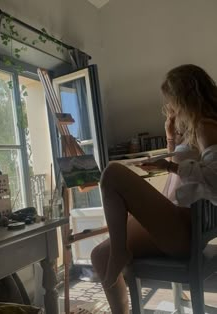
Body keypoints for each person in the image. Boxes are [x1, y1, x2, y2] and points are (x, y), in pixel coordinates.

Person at [91, 64, 217, 314]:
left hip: (183, 231)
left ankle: (120, 251)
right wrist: (170, 138)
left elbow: (215, 179)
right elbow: (187, 167)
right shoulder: (199, 127)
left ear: (184, 97)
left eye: (172, 101)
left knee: (112, 173)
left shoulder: (206, 126)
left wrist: (169, 167)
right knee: (98, 255)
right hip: (179, 222)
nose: (171, 108)